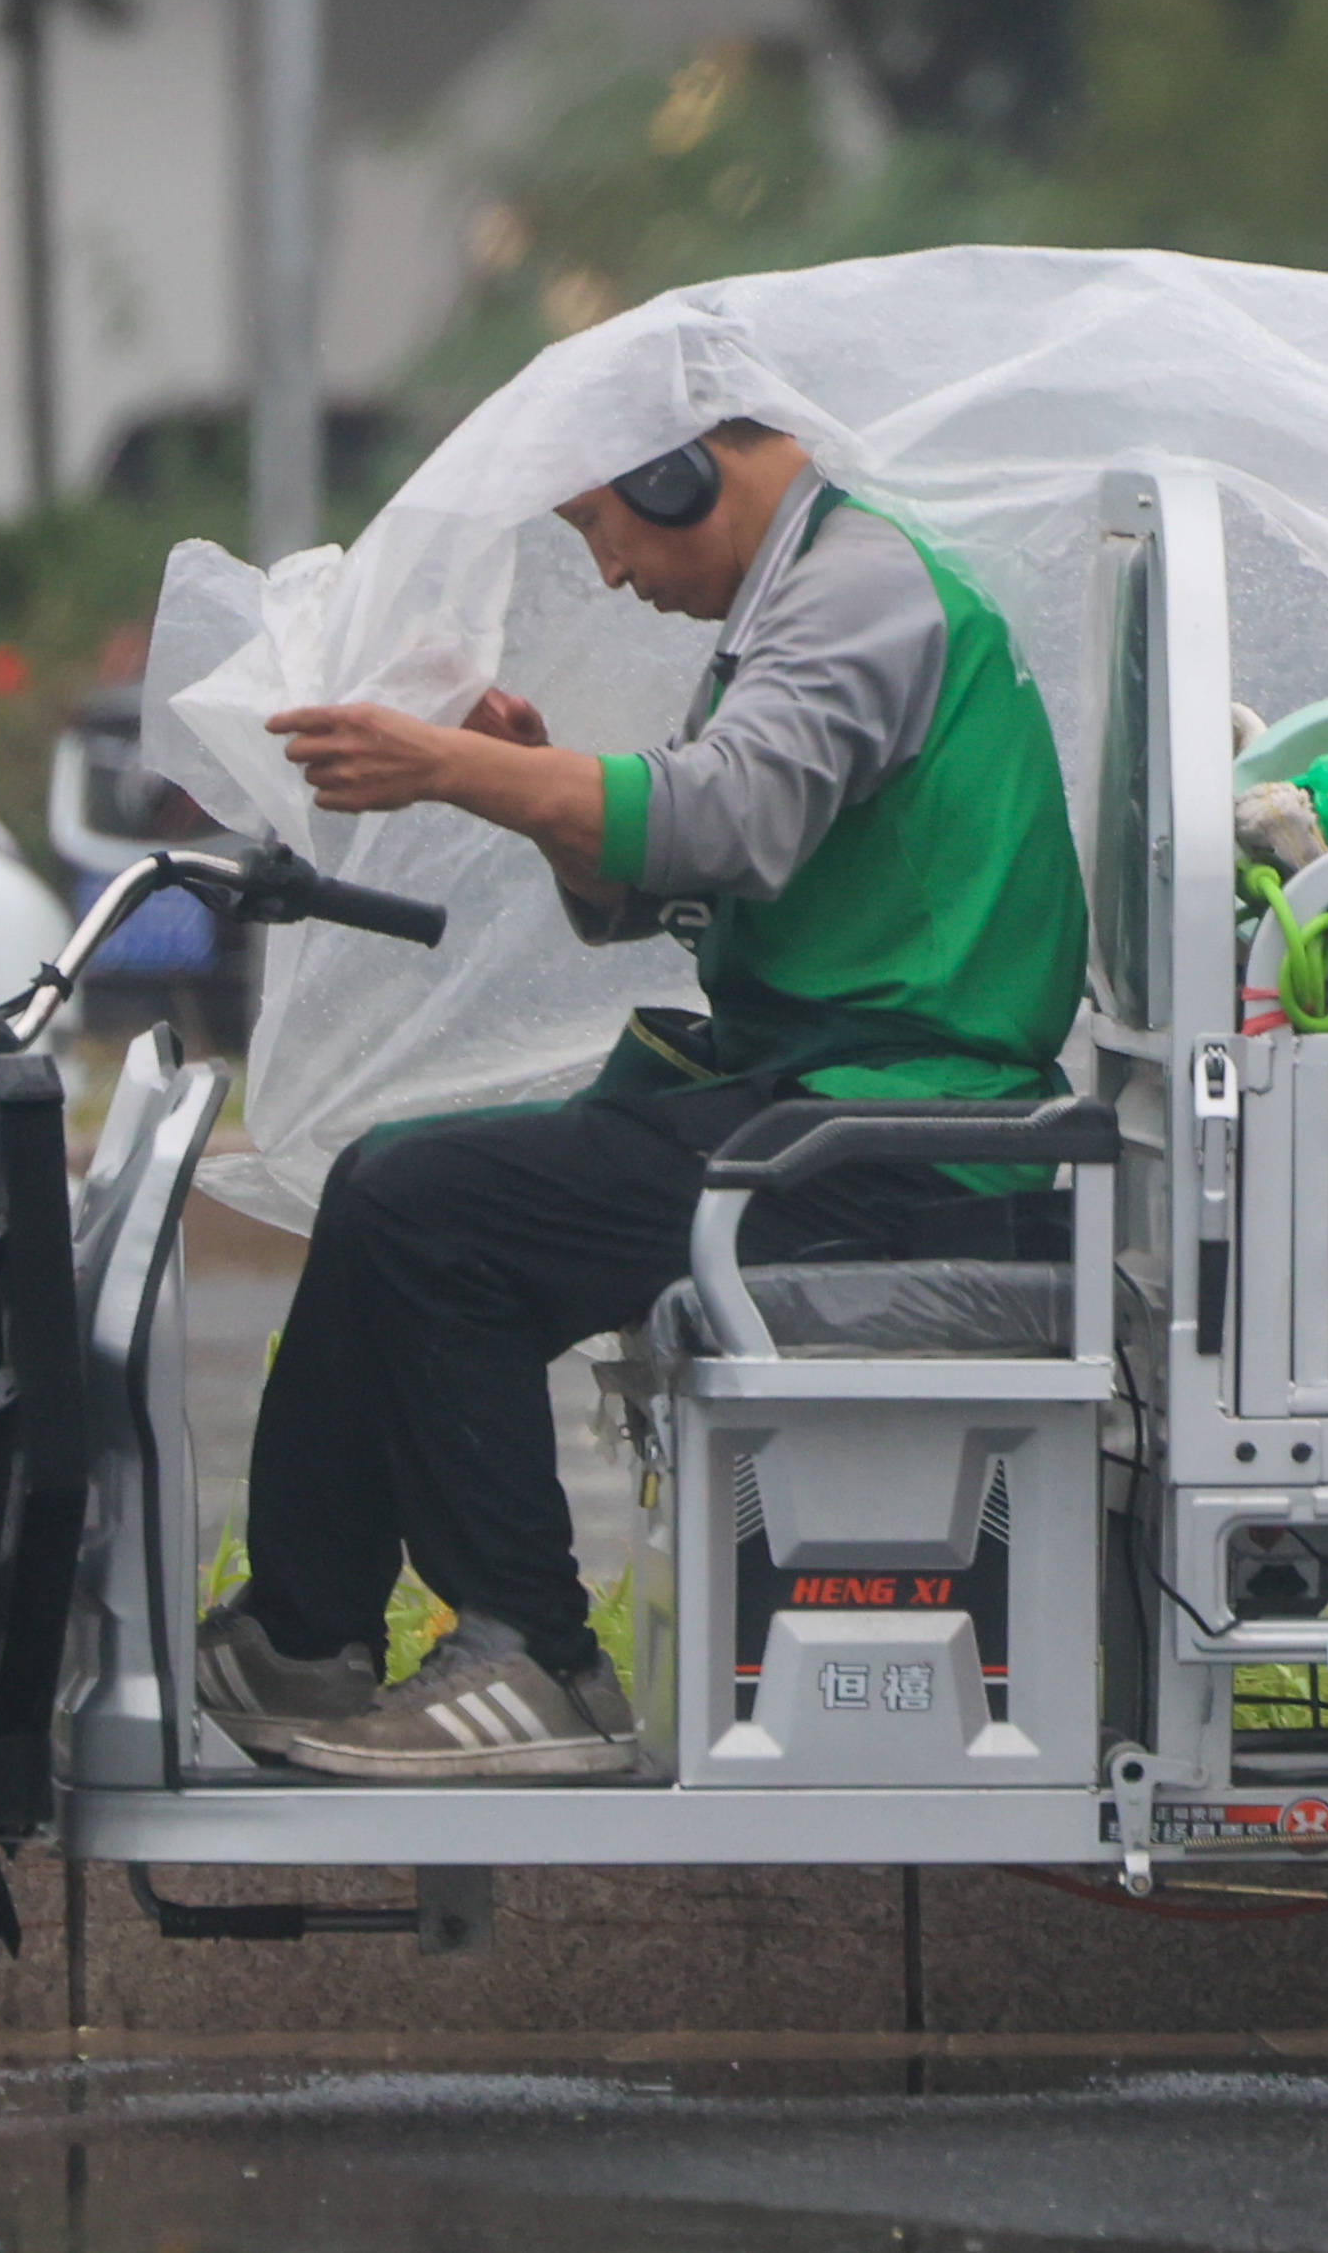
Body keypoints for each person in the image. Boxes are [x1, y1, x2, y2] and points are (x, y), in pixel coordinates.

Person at [192, 419, 1090, 1778]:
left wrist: (449, 766)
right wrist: (533, 779)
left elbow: (718, 818)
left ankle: (537, 1658)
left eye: (597, 523)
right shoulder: (823, 585)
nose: (607, 569)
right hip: (832, 1115)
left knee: (430, 1212)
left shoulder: (857, 589)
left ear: (677, 466)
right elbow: (687, 874)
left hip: (899, 1145)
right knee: (392, 1187)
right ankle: (305, 1630)